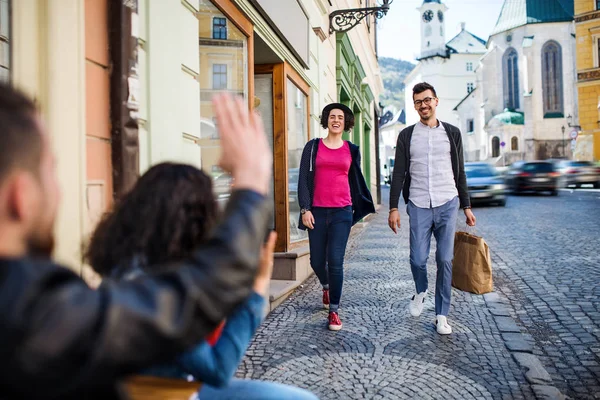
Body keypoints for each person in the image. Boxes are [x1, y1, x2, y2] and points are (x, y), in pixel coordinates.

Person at [0, 83, 273, 399]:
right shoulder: (27, 307)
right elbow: (190, 304)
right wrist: (252, 181)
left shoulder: (38, 303)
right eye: (50, 170)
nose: (59, 191)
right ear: (21, 196)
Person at [86, 162, 317, 400]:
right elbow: (216, 369)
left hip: (172, 386)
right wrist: (257, 288)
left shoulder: (135, 264)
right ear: (187, 219)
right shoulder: (146, 285)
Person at [388, 82, 476, 335]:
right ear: (414, 105)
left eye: (427, 100)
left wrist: (466, 205)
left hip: (448, 201)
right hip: (418, 203)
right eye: (418, 102)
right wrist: (393, 207)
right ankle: (420, 291)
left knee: (445, 258)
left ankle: (441, 315)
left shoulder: (453, 133)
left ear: (436, 101)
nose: (423, 105)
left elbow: (460, 172)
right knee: (417, 258)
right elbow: (398, 174)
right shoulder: (406, 135)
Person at [297, 103, 375, 331]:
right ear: (326, 120)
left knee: (336, 261)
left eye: (340, 117)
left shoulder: (351, 150)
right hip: (317, 211)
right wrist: (305, 209)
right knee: (316, 261)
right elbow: (303, 179)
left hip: (342, 211)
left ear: (346, 122)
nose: (336, 120)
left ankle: (334, 310)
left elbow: (355, 180)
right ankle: (325, 285)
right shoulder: (312, 147)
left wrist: (357, 208)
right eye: (332, 116)